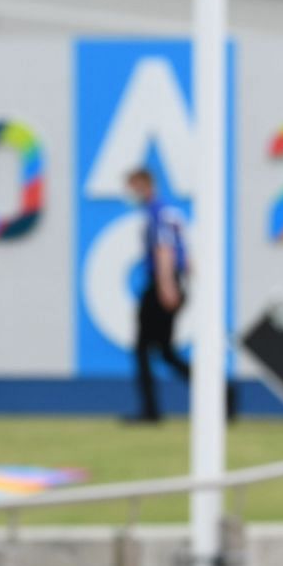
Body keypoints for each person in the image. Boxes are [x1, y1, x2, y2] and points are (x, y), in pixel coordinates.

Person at [125, 166, 190, 423]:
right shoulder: (170, 213)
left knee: (144, 349)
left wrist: (167, 287)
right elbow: (186, 252)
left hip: (162, 285)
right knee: (165, 351)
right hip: (172, 282)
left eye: (132, 186)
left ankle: (150, 411)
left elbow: (165, 250)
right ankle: (223, 395)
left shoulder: (156, 213)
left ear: (144, 185)